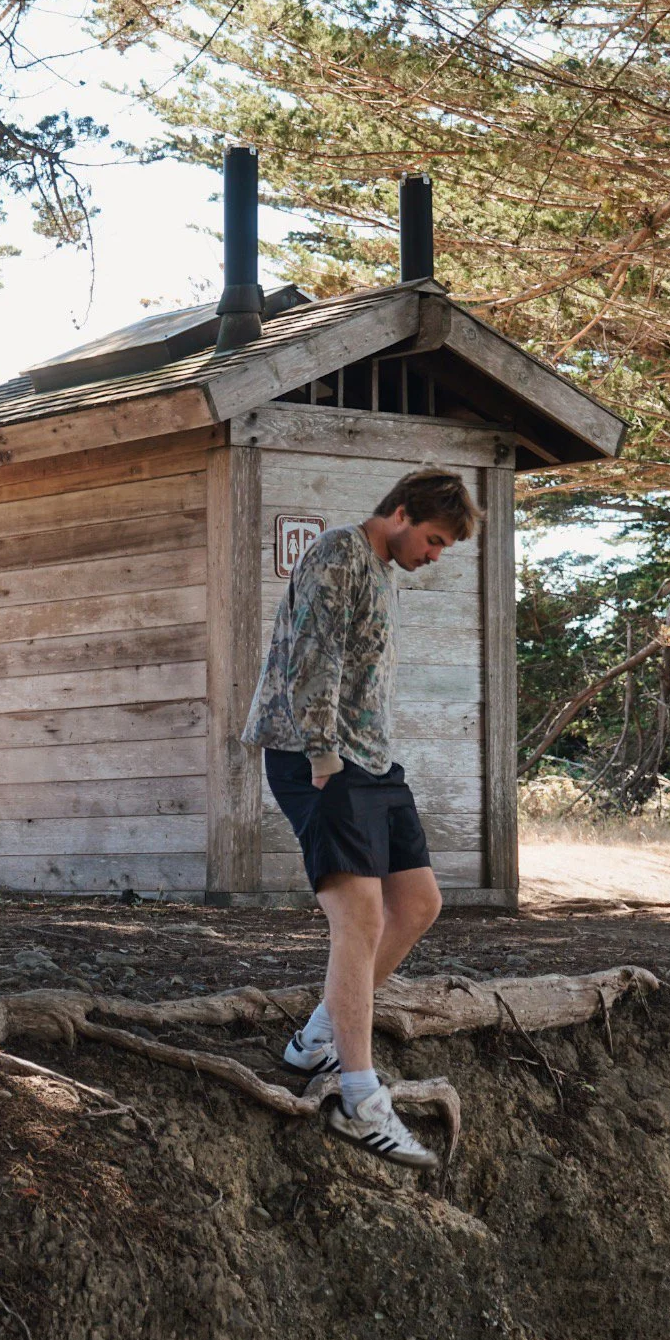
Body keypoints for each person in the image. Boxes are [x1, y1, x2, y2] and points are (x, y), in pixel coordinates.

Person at [243, 468, 481, 1167]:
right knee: (360, 918)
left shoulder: (382, 568)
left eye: (443, 548)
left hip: (372, 761)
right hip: (319, 759)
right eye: (433, 540)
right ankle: (358, 1095)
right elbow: (314, 660)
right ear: (400, 514)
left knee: (418, 902)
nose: (434, 556)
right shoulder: (340, 553)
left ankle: (316, 1034)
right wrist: (322, 755)